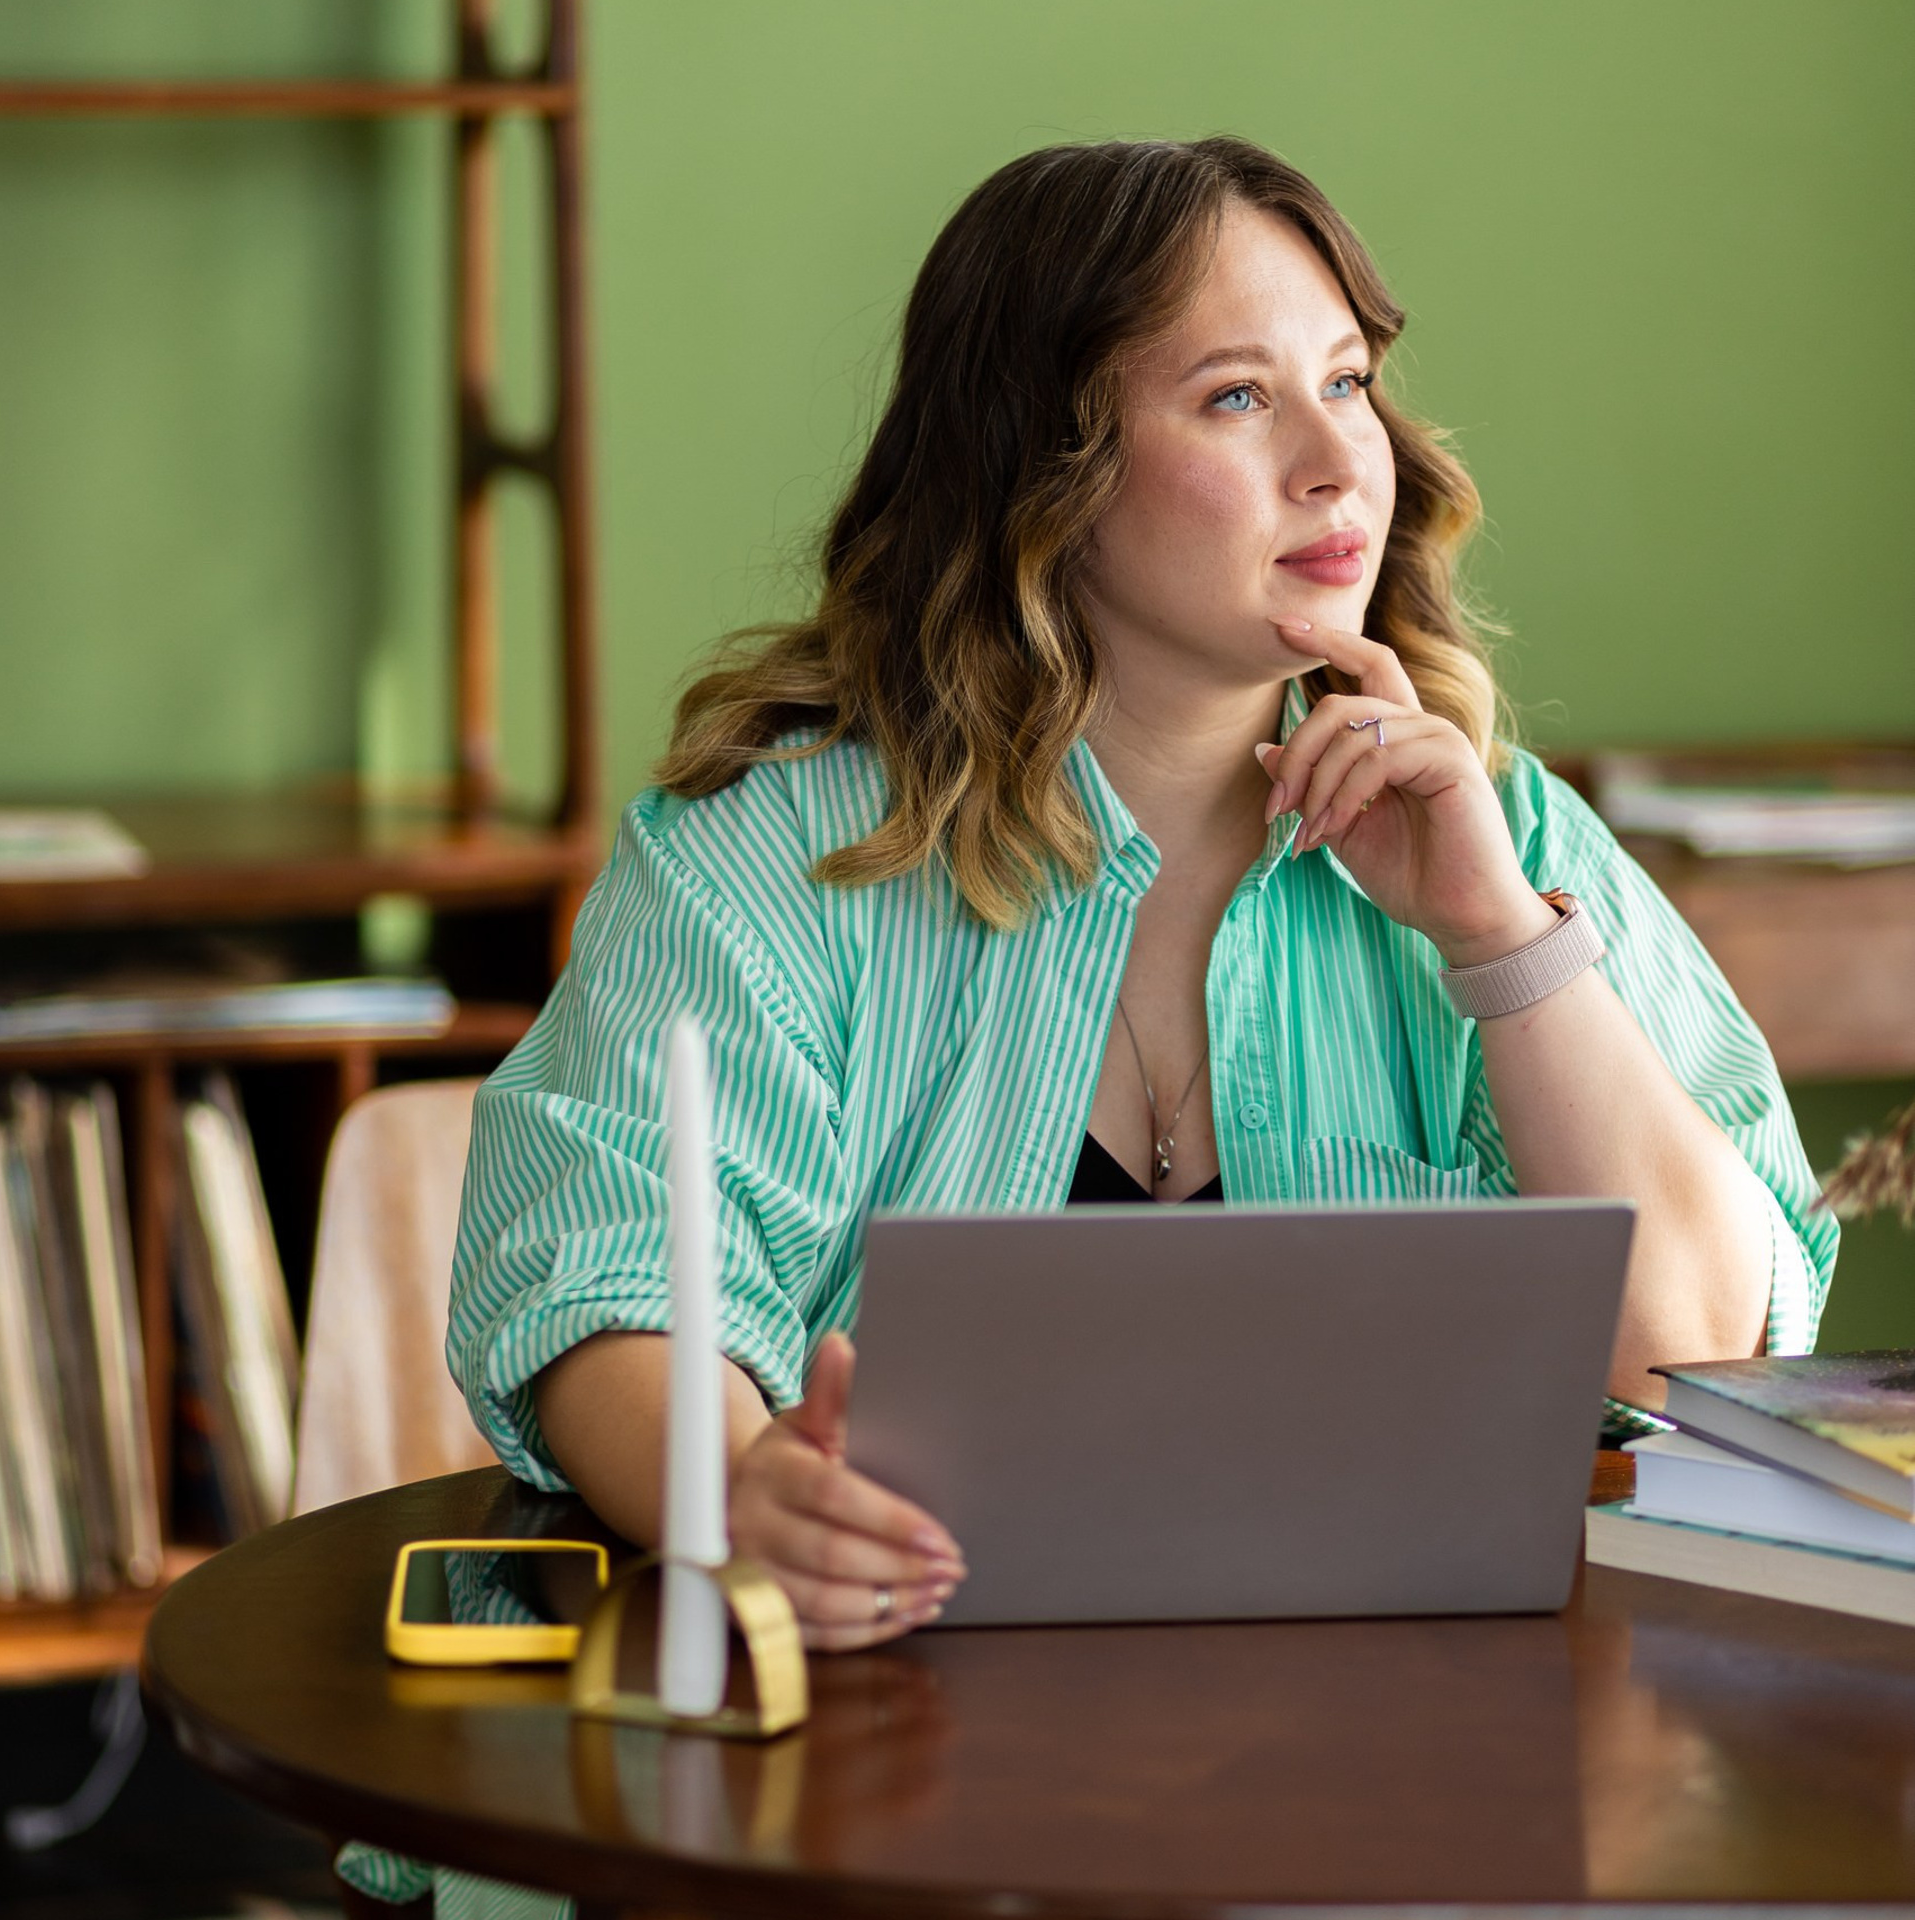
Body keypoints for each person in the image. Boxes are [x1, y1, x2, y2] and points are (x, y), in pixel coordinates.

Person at [338, 127, 1836, 1920]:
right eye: (1232, 397)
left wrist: (1499, 941)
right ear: (1042, 462)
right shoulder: (776, 859)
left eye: (1348, 382)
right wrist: (737, 1491)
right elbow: (607, 1268)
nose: (1334, 455)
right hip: (867, 1806)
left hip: (1390, 1805)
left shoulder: (1498, 837)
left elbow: (1692, 1355)